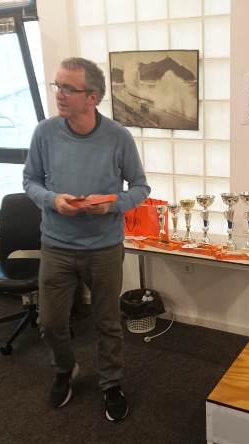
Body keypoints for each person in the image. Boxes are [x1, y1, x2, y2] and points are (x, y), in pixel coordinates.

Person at [23, 57, 150, 422]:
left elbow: (140, 187)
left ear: (92, 96)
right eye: (57, 86)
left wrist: (112, 205)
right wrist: (53, 200)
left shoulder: (118, 137)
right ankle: (65, 369)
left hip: (104, 248)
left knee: (107, 323)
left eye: (68, 88)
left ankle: (111, 383)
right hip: (57, 246)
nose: (59, 94)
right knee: (50, 323)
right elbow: (30, 180)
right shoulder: (44, 133)